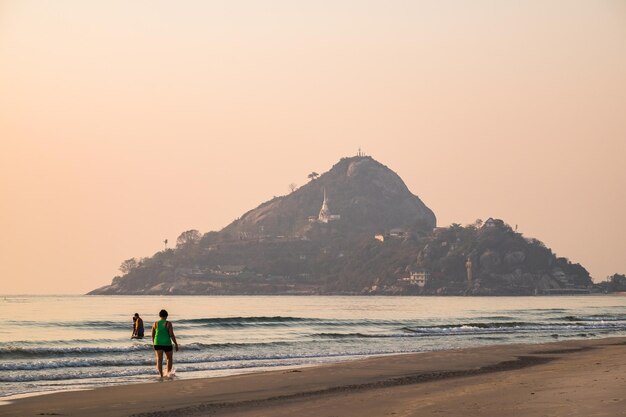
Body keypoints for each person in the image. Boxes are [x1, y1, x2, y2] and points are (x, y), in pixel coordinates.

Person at [151, 309, 179, 377]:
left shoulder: (155, 323)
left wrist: (154, 343)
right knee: (169, 358)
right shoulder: (168, 323)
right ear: (166, 315)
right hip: (167, 343)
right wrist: (176, 344)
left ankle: (161, 375)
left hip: (157, 343)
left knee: (159, 359)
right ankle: (168, 373)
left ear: (159, 315)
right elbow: (171, 335)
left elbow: (152, 335)